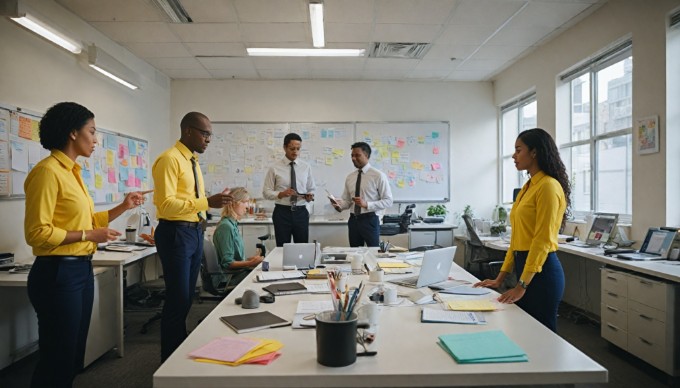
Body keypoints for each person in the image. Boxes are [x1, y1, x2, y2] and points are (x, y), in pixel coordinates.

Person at [24, 101, 150, 388]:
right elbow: (37, 233)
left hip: (79, 271)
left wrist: (122, 206)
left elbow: (87, 219)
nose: (95, 140)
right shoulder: (47, 172)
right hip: (57, 273)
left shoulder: (72, 172)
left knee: (72, 357)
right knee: (57, 358)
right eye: (92, 132)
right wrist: (86, 236)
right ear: (72, 133)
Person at [152, 111, 232, 362]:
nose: (208, 139)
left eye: (210, 135)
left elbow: (189, 200)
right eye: (204, 133)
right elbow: (165, 205)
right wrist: (206, 201)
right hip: (176, 233)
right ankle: (169, 360)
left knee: (186, 298)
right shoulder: (170, 159)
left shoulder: (192, 162)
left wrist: (205, 206)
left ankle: (178, 352)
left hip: (193, 232)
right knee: (177, 300)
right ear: (188, 131)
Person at [474, 128, 571, 332]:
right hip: (525, 269)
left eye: (518, 150)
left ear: (534, 152)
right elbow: (517, 240)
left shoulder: (548, 187)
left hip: (542, 273)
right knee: (524, 332)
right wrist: (500, 278)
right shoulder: (528, 187)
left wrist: (522, 286)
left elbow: (542, 240)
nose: (513, 156)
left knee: (542, 335)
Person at [332, 142, 393, 247]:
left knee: (373, 253)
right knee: (355, 253)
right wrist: (339, 206)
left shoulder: (378, 176)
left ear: (367, 155)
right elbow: (347, 201)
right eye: (352, 155)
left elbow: (388, 201)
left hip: (370, 219)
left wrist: (367, 205)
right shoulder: (350, 177)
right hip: (353, 221)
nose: (354, 158)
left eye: (357, 155)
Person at [263, 133, 316, 246]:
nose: (295, 152)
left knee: (302, 248)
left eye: (298, 149)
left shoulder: (306, 167)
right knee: (282, 248)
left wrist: (310, 196)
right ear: (284, 147)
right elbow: (266, 192)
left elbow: (311, 188)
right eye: (292, 148)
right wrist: (281, 194)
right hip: (282, 212)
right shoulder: (274, 168)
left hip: (301, 212)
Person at [212, 187, 265, 288]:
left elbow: (234, 258)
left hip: (236, 273)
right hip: (229, 278)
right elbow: (228, 263)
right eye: (244, 202)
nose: (247, 206)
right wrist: (250, 263)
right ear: (233, 203)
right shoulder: (226, 227)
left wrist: (251, 260)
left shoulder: (233, 224)